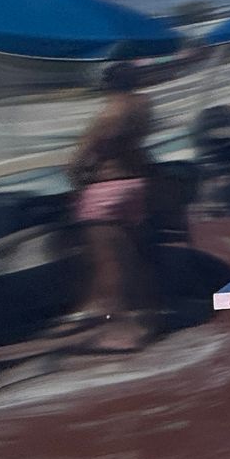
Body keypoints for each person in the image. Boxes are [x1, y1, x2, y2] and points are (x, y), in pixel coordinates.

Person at [65, 61, 156, 339]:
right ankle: (145, 314)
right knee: (129, 254)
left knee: (106, 260)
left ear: (107, 85)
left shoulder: (108, 115)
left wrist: (76, 178)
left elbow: (79, 160)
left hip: (106, 190)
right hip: (134, 186)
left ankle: (120, 326)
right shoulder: (143, 108)